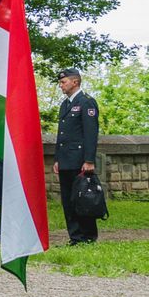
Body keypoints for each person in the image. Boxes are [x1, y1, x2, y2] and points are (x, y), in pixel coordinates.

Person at [54, 67, 100, 245]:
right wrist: (57, 159)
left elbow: (90, 134)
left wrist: (89, 160)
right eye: (60, 82)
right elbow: (62, 135)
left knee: (83, 198)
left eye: (63, 82)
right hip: (66, 159)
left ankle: (88, 236)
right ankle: (75, 236)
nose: (61, 85)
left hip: (80, 160)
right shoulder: (65, 104)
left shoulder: (86, 102)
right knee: (68, 200)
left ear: (75, 82)